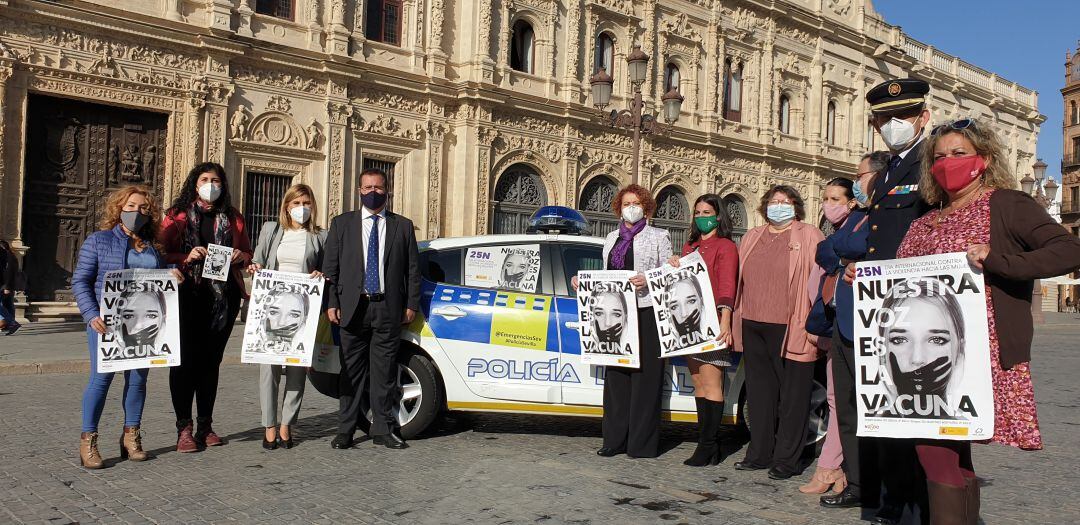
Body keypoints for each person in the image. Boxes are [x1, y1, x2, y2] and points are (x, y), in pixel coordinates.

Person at [896, 118, 1080, 524]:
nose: (947, 162)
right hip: (921, 352)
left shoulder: (1006, 204)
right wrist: (864, 276)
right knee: (949, 449)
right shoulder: (925, 218)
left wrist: (999, 260)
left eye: (959, 153)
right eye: (939, 157)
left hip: (981, 350)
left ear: (985, 159)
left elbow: (1068, 250)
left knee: (935, 448)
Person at [826, 79, 936, 524]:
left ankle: (915, 504)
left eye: (902, 116)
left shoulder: (931, 164)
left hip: (914, 308)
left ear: (923, 117)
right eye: (884, 119)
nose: (893, 125)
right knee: (884, 411)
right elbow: (878, 240)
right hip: (878, 306)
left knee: (911, 412)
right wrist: (863, 267)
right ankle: (890, 498)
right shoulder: (890, 170)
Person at [71, 185, 184, 469]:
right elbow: (81, 280)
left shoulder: (153, 247)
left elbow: (157, 282)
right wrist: (91, 314)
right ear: (119, 208)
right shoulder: (99, 241)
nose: (137, 212)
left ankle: (131, 436)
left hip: (144, 324)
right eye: (131, 206)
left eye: (143, 208)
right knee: (101, 379)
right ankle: (88, 440)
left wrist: (171, 276)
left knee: (137, 381)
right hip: (106, 324)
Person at [731, 184, 825, 480]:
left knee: (793, 396)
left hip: (792, 324)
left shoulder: (810, 235)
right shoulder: (752, 236)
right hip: (753, 322)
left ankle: (787, 459)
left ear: (796, 207)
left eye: (786, 201)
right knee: (759, 394)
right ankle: (759, 453)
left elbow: (821, 278)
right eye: (774, 201)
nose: (779, 205)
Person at [324, 167, 420, 450]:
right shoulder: (342, 224)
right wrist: (332, 302)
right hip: (352, 308)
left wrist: (411, 304)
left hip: (387, 308)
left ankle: (383, 429)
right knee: (350, 372)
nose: (373, 192)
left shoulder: (403, 226)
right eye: (367, 188)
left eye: (378, 187)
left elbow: (412, 270)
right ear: (359, 191)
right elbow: (331, 268)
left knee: (384, 372)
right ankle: (345, 430)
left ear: (387, 191)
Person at [574, 184, 671, 459]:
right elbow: (605, 274)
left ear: (646, 207)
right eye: (627, 203)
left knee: (646, 380)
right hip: (617, 311)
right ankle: (613, 440)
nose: (631, 208)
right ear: (619, 207)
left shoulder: (659, 236)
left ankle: (641, 444)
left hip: (646, 311)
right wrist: (583, 282)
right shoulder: (611, 237)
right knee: (616, 378)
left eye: (636, 203)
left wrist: (648, 279)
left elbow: (668, 273)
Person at [161, 162, 253, 453]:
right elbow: (160, 253)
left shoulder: (233, 217)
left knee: (210, 363)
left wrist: (241, 256)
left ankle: (205, 425)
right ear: (195, 182)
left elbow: (248, 252)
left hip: (223, 299)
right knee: (184, 362)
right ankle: (184, 427)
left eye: (216, 180)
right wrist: (185, 257)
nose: (210, 185)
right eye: (204, 179)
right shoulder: (176, 216)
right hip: (186, 295)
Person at [247, 183, 327, 450]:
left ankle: (287, 424)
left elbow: (326, 269)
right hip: (271, 308)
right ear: (287, 206)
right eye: (296, 203)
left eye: (306, 203)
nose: (302, 208)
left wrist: (321, 274)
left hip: (300, 311)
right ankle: (269, 424)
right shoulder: (271, 230)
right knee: (268, 371)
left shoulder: (320, 236)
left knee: (296, 370)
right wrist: (255, 267)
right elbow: (257, 260)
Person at [800, 176, 866, 495]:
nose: (828, 205)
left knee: (841, 400)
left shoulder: (859, 226)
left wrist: (836, 256)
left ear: (851, 202)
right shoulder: (835, 233)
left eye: (835, 199)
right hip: (829, 326)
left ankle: (830, 468)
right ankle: (837, 470)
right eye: (825, 198)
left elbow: (836, 253)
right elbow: (823, 253)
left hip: (849, 326)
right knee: (836, 398)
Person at [666, 193, 738, 467]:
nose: (701, 217)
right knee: (698, 383)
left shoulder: (726, 247)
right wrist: (675, 262)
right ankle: (707, 444)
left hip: (712, 322)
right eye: (697, 213)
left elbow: (727, 284)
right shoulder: (690, 246)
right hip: (690, 324)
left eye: (706, 212)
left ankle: (709, 445)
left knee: (712, 384)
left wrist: (725, 319)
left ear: (718, 216)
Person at [876, 278, 966, 417]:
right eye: (899, 340)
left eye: (937, 340)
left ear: (960, 350)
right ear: (882, 349)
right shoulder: (868, 426)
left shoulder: (976, 427)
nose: (917, 359)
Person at [0, 239, 21, 335]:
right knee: (7, 304)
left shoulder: (8, 256)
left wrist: (7, 286)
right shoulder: (7, 256)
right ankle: (10, 324)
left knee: (7, 304)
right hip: (5, 284)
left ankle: (11, 323)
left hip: (5, 285)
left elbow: (9, 272)